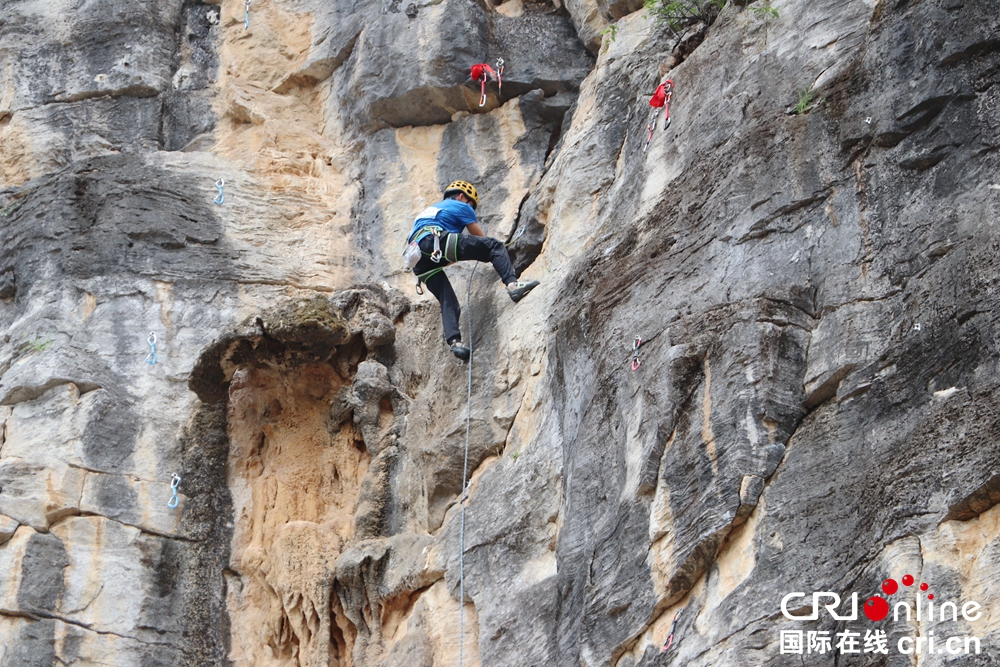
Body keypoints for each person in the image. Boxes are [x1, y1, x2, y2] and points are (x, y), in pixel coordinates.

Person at [408, 180, 539, 360]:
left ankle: (456, 343)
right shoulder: (460, 205)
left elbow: (444, 256)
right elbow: (480, 238)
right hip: (436, 241)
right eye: (471, 204)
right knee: (495, 246)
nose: (471, 208)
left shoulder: (428, 213)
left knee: (448, 301)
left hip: (417, 258)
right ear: (462, 196)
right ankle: (513, 286)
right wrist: (495, 249)